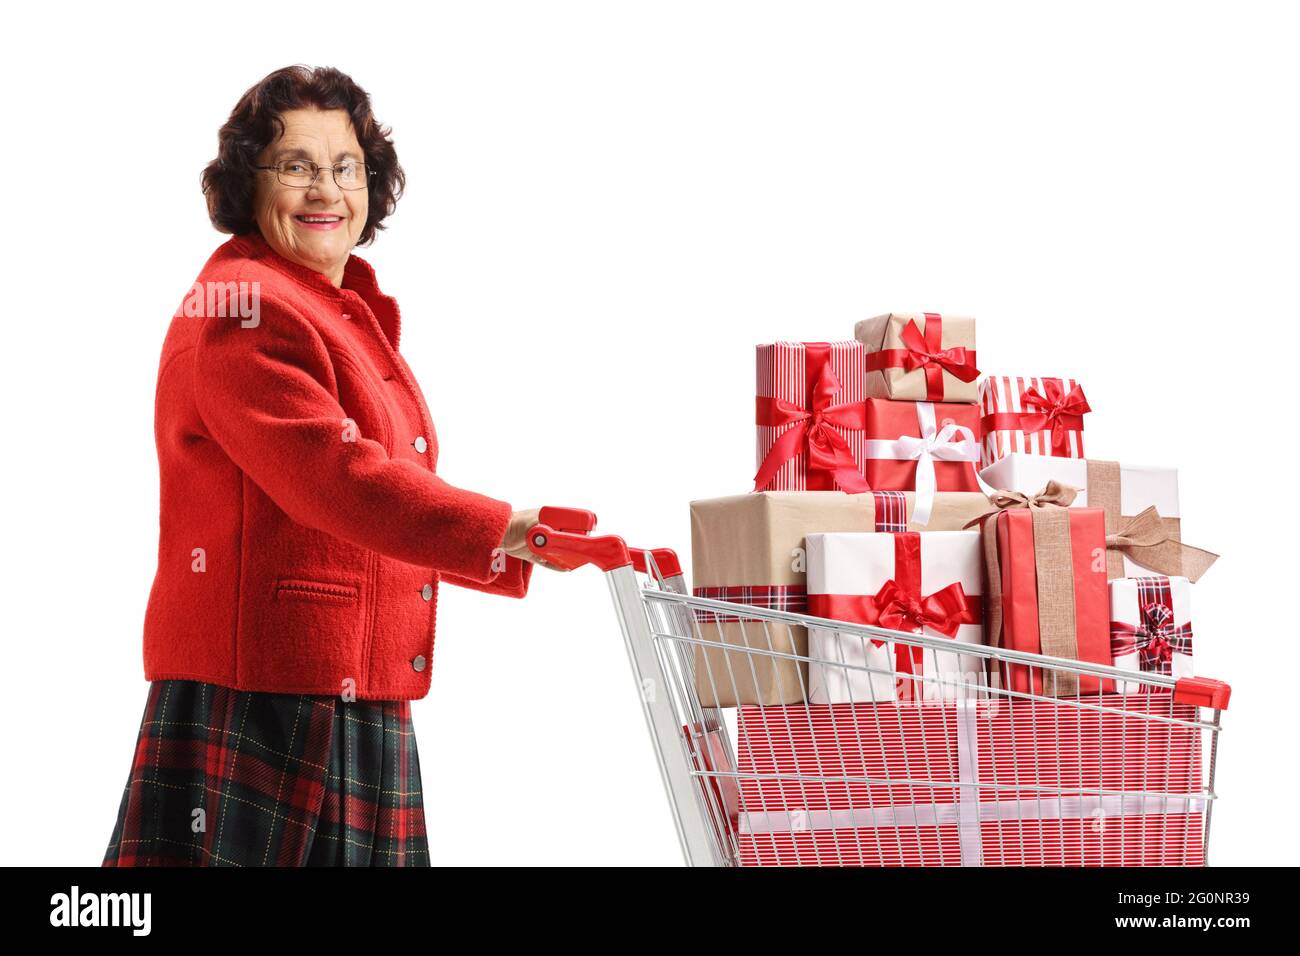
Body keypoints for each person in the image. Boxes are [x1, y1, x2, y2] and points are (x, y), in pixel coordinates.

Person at [102, 64, 566, 867]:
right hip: (274, 696)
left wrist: (503, 541)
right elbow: (337, 478)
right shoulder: (247, 309)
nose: (327, 190)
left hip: (339, 684)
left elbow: (371, 493)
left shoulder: (330, 305)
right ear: (248, 185)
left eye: (345, 167)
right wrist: (504, 530)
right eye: (296, 166)